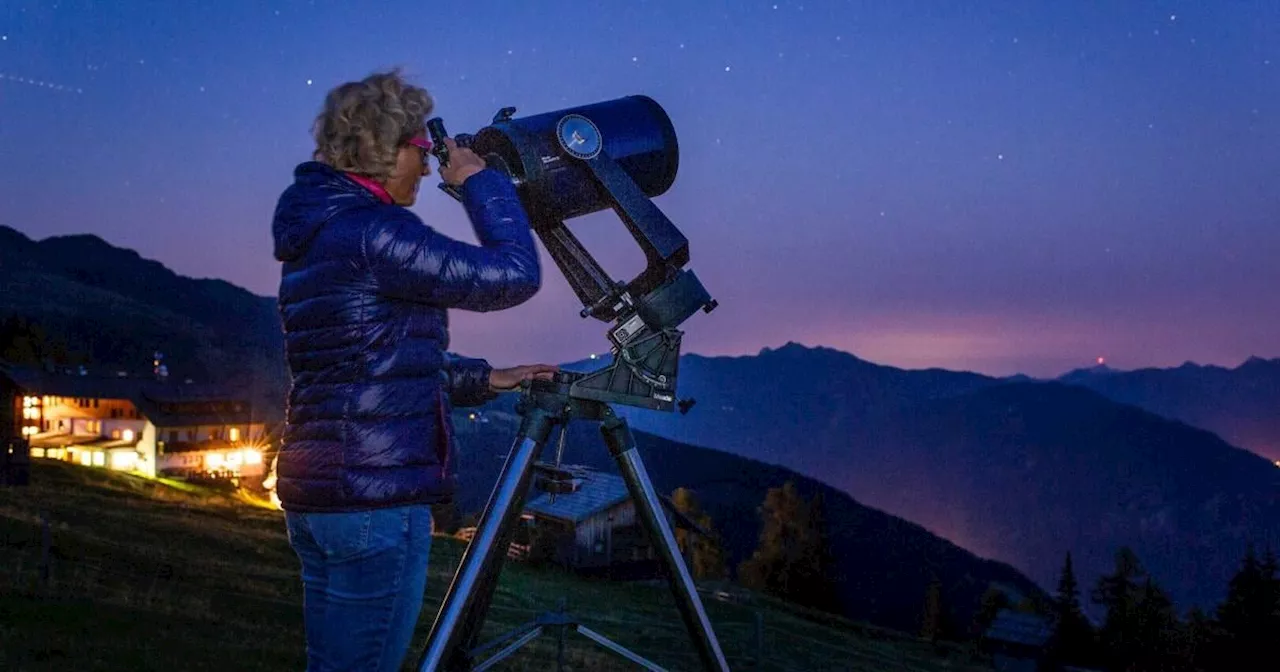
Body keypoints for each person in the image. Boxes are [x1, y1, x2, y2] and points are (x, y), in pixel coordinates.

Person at [270, 69, 558, 672]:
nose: (429, 169)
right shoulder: (376, 232)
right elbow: (513, 275)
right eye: (422, 152)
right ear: (385, 148)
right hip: (373, 500)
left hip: (319, 496)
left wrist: (487, 378)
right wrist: (482, 183)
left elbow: (368, 363)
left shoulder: (319, 236)